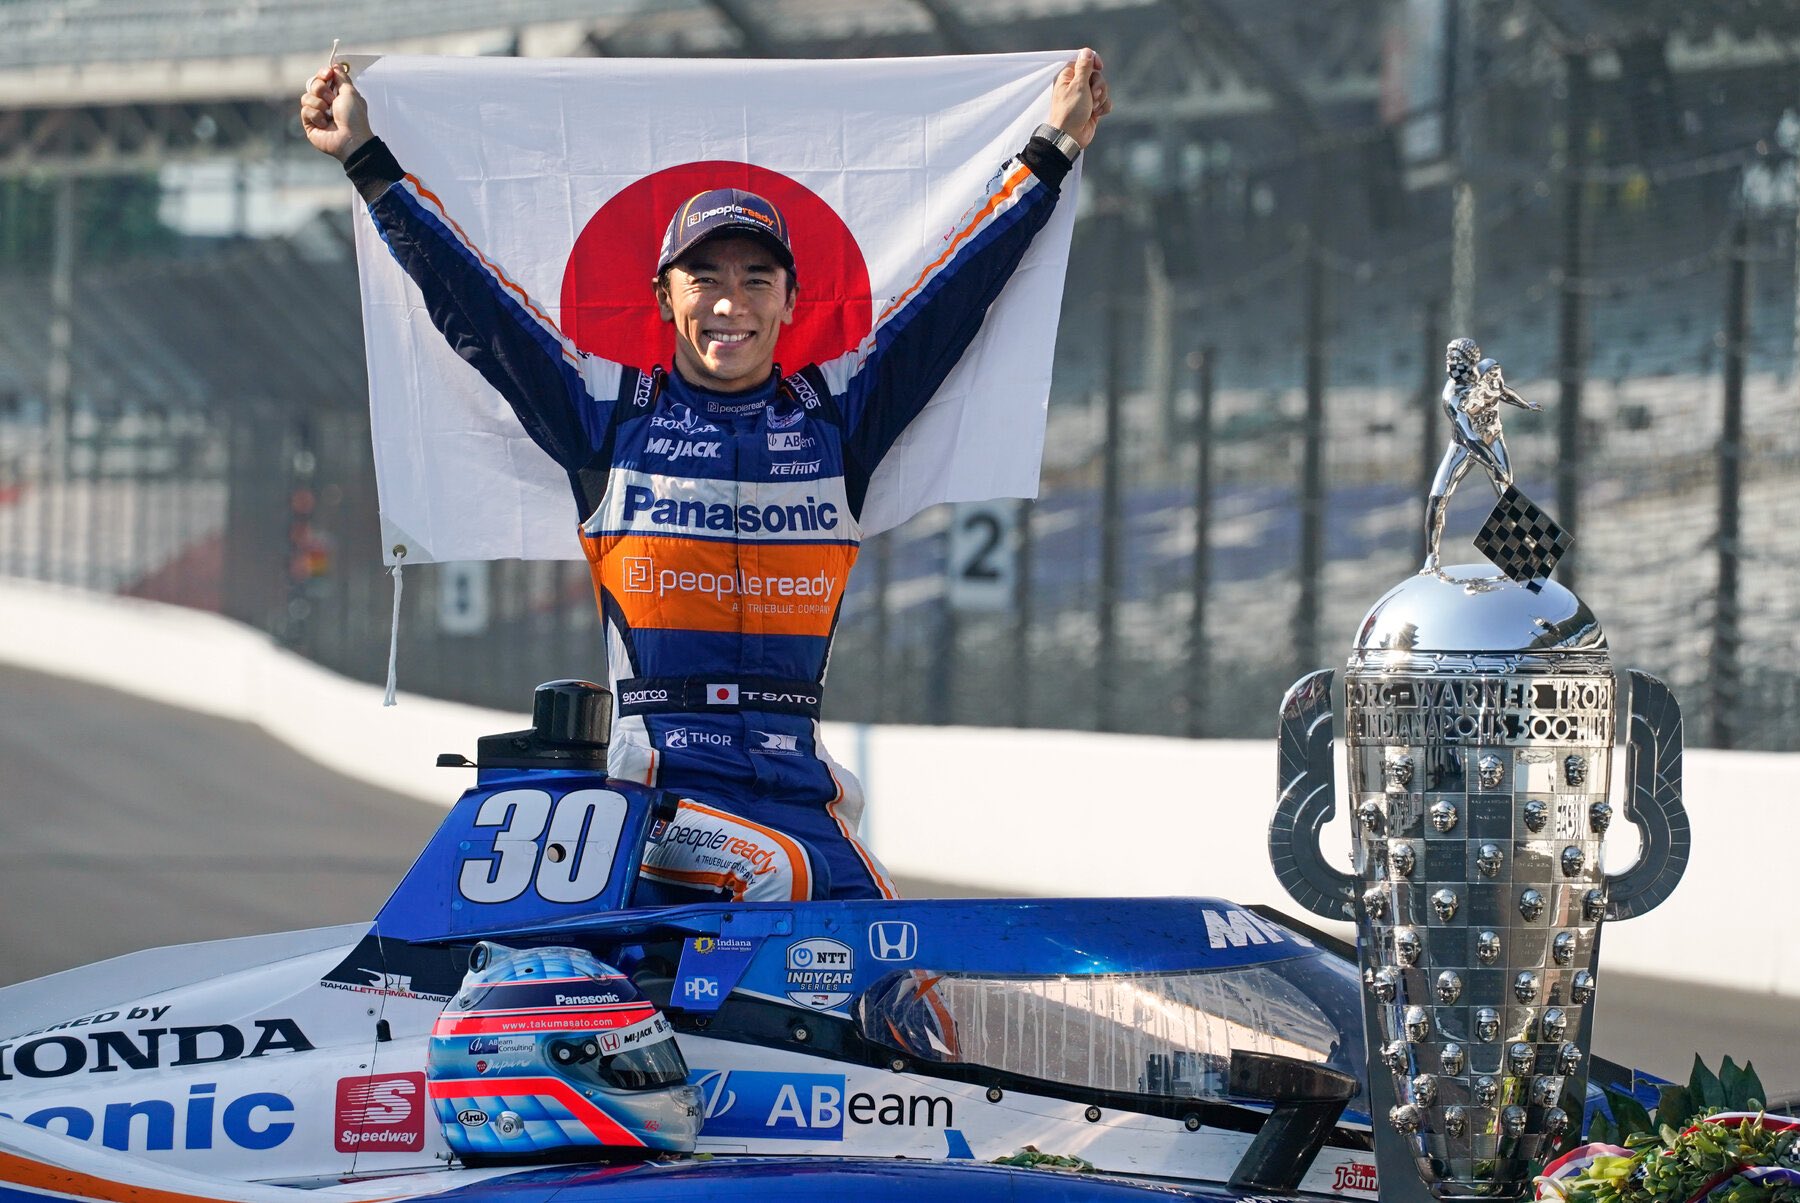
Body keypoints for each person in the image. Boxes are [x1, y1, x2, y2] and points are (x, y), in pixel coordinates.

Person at [302, 52, 1109, 903]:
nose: (732, 303)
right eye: (706, 279)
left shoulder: (838, 415)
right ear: (664, 297)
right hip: (658, 798)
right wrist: (367, 161)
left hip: (802, 790)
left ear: (791, 300)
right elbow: (477, 310)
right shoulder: (607, 413)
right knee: (784, 883)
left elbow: (954, 295)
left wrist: (1052, 149)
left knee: (895, 977)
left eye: (757, 279)